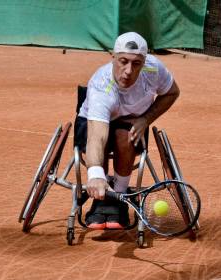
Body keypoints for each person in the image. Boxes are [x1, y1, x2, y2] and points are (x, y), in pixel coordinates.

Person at [74, 32, 180, 229]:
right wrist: (95, 174)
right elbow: (97, 135)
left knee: (126, 134)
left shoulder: (154, 69)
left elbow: (172, 92)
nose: (129, 70)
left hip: (132, 122)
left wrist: (145, 119)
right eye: (123, 61)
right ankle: (101, 199)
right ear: (113, 57)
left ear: (144, 61)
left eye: (136, 63)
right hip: (94, 122)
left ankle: (119, 198)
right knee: (103, 141)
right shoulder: (101, 87)